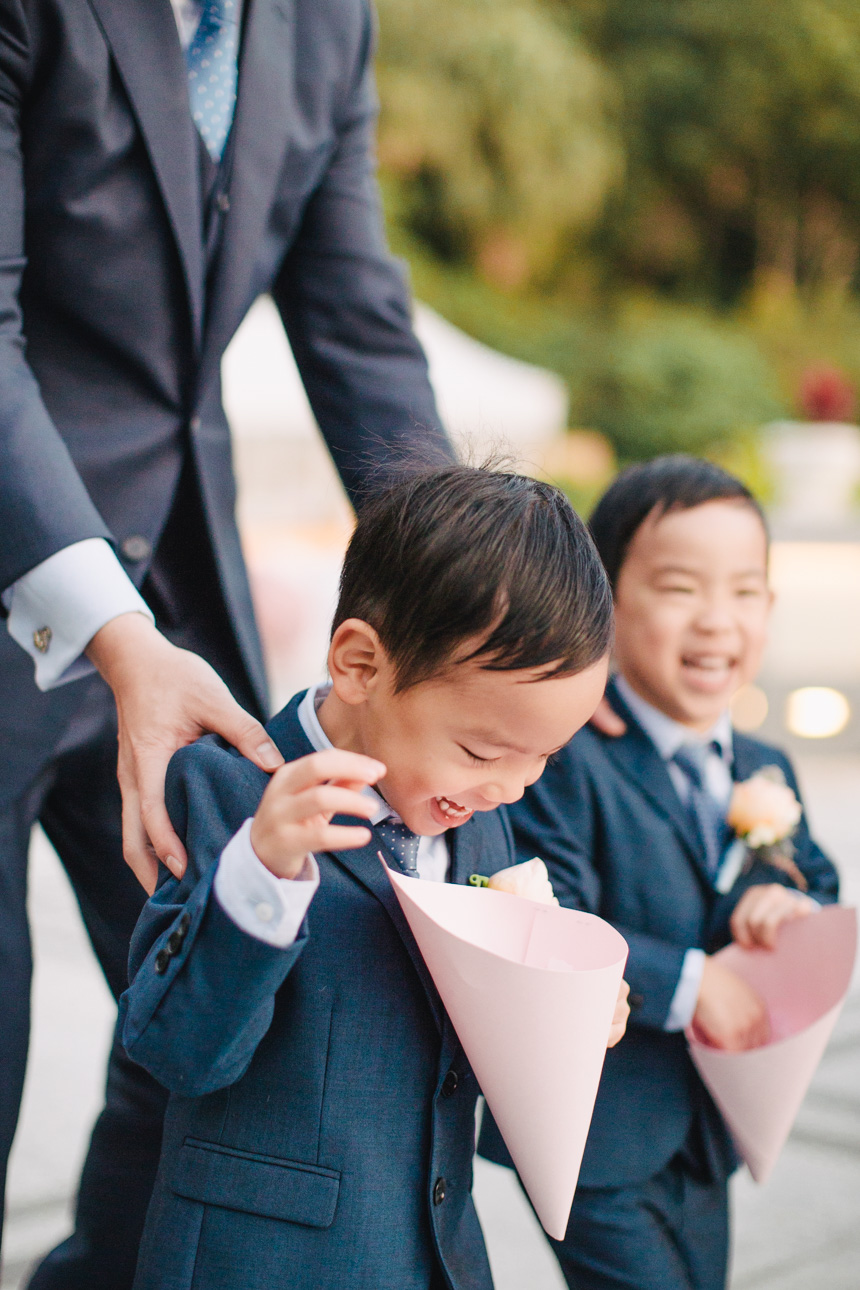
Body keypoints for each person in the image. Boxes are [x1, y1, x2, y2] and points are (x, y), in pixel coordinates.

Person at [0, 1, 453, 1283]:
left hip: (187, 608)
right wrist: (110, 629)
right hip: (31, 564)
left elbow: (356, 322)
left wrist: (497, 608)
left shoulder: (328, 24)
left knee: (232, 1017)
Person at [119, 464, 629, 1290]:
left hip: (432, 1258)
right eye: (483, 751)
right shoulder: (229, 794)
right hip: (262, 1265)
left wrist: (560, 1017)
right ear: (360, 664)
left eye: (544, 759)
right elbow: (179, 1054)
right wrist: (260, 875)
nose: (511, 787)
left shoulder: (478, 820)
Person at [478, 456, 839, 1290]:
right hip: (595, 1132)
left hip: (711, 1130)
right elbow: (548, 917)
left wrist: (785, 901)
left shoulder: (764, 764)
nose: (717, 621)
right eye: (680, 588)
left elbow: (818, 881)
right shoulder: (564, 756)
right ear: (602, 603)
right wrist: (693, 983)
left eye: (745, 592)